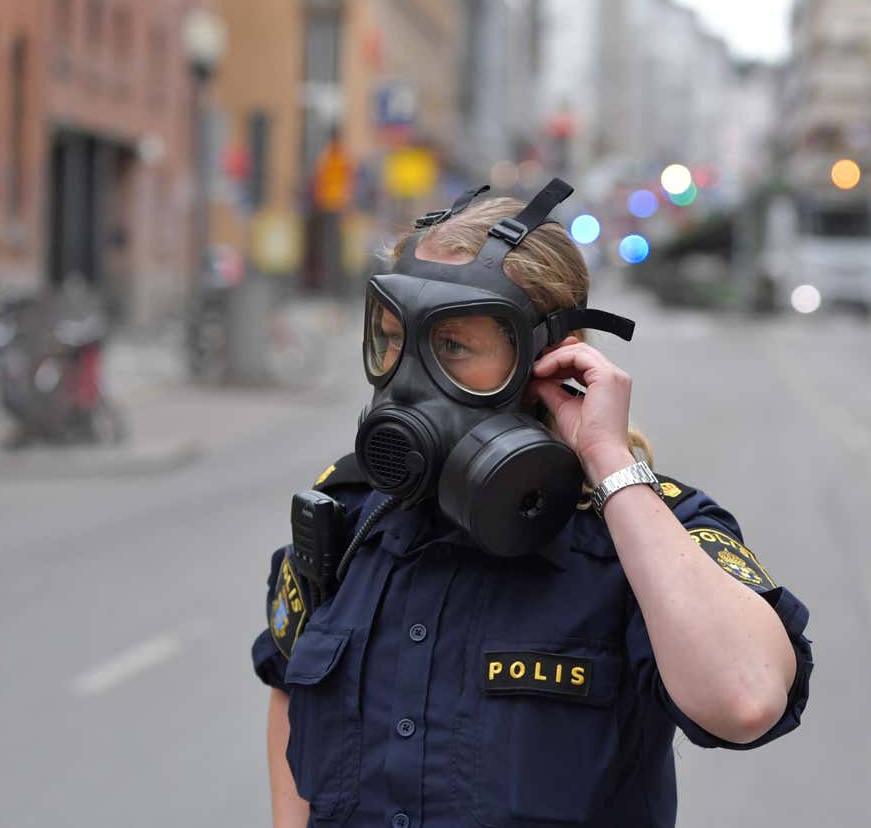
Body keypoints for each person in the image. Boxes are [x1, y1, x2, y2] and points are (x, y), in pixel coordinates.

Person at [252, 181, 813, 828]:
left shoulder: (645, 538)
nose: (407, 377)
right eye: (391, 337)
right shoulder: (348, 518)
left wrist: (607, 460)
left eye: (454, 346)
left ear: (548, 358)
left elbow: (744, 700)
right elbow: (288, 693)